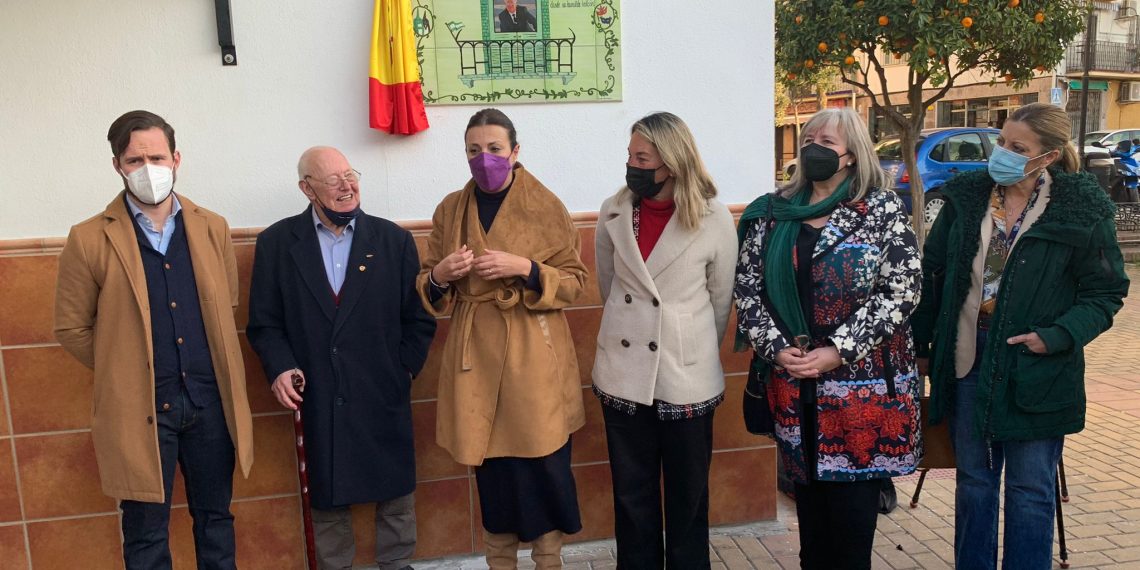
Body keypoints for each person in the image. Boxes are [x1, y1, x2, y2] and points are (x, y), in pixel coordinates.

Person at [912, 102, 1130, 569]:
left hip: (1038, 367)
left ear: (1047, 157)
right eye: (1001, 142)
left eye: (1017, 147)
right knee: (974, 482)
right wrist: (923, 347)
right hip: (968, 359)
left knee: (1031, 491)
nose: (1002, 153)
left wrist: (1056, 336)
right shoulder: (965, 199)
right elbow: (932, 276)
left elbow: (1106, 292)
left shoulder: (1080, 209)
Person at [53, 110, 254, 568]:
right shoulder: (88, 239)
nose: (148, 168)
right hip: (140, 409)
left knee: (216, 521)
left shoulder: (212, 227)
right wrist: (123, 365)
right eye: (134, 159)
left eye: (157, 156)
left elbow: (226, 307)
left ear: (177, 158)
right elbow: (71, 327)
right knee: (145, 534)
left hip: (209, 405)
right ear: (117, 166)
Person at [734, 107, 922, 570]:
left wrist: (837, 351)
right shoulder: (772, 212)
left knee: (851, 535)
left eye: (827, 141)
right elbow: (747, 289)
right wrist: (776, 348)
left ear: (852, 156)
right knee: (812, 533)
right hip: (795, 388)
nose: (813, 147)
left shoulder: (880, 211)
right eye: (809, 138)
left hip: (862, 397)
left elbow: (903, 289)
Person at [246, 146, 436, 570]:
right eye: (332, 180)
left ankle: (397, 564)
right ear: (307, 189)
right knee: (327, 496)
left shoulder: (393, 241)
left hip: (381, 388)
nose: (347, 186)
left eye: (350, 175)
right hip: (318, 392)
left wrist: (401, 370)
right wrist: (279, 367)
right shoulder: (277, 244)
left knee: (396, 495)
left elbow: (418, 320)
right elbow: (265, 324)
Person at [418, 108, 587, 569]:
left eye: (494, 149)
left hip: (534, 359)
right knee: (491, 474)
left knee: (544, 468)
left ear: (515, 152)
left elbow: (574, 281)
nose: (484, 158)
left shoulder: (545, 204)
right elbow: (426, 285)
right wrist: (439, 274)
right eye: (474, 150)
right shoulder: (451, 208)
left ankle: (548, 560)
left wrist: (526, 269)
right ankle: (500, 562)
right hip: (476, 359)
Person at [591, 112, 737, 569]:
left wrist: (687, 347)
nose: (631, 165)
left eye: (642, 157)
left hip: (687, 376)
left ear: (671, 162)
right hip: (623, 373)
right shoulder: (613, 211)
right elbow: (609, 284)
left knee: (688, 499)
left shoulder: (713, 218)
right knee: (632, 499)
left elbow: (720, 301)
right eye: (629, 155)